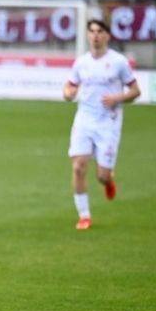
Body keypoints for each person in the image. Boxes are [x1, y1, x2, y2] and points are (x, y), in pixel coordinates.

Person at [62, 19, 141, 230]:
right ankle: (84, 216)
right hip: (84, 119)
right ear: (87, 35)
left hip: (108, 123)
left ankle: (108, 180)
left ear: (107, 35)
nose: (95, 36)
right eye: (92, 31)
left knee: (102, 175)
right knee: (78, 166)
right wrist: (68, 94)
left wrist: (117, 98)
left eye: (100, 31)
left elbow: (135, 91)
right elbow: (69, 86)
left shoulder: (118, 62)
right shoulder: (81, 62)